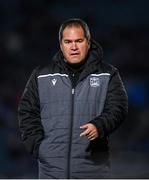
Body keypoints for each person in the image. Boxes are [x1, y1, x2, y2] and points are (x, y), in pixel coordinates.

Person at [18, 18, 128, 179]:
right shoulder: (41, 75)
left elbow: (118, 107)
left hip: (93, 170)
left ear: (88, 43)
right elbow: (27, 112)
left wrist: (100, 125)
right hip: (51, 172)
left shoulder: (108, 74)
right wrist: (39, 148)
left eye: (79, 41)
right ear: (61, 45)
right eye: (68, 41)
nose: (74, 47)